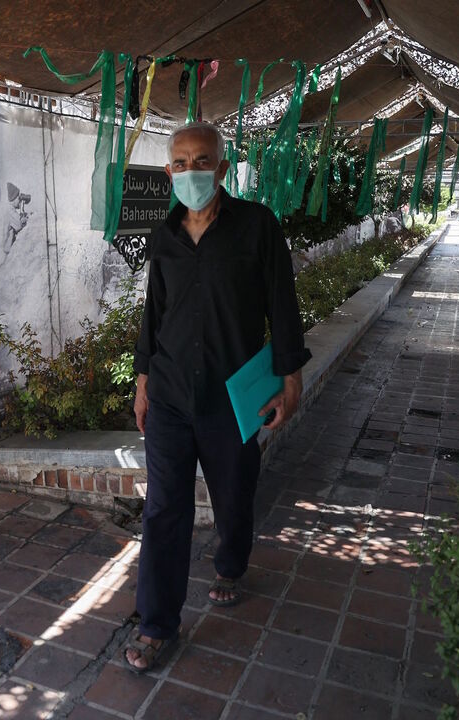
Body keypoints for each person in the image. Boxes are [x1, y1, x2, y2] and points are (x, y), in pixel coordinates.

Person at [123, 121, 311, 672]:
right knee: (163, 509)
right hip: (172, 396)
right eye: (179, 164)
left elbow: (283, 303)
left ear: (222, 168)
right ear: (168, 173)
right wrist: (141, 383)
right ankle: (158, 624)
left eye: (201, 161)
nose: (190, 172)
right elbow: (153, 315)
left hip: (235, 396)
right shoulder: (165, 237)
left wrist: (290, 379)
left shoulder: (257, 226)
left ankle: (230, 565)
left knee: (234, 493)